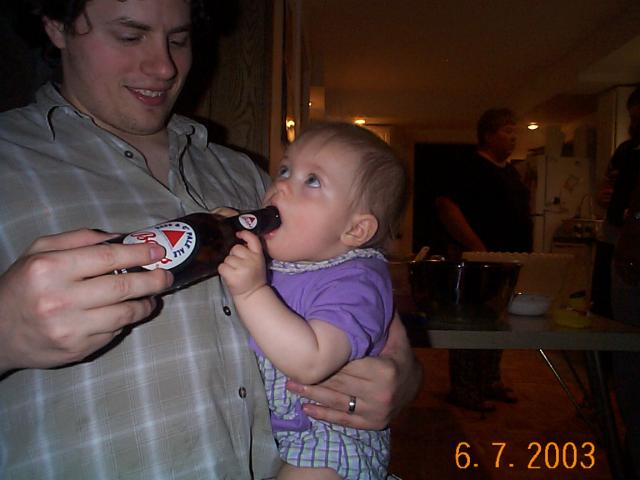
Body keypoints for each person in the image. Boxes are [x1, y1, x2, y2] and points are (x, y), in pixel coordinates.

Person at [0, 1, 422, 478]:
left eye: (179, 40)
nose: (164, 67)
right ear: (56, 24)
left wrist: (402, 380)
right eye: (130, 36)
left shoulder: (248, 177)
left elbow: (372, 316)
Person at [220, 123, 407, 479]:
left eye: (312, 181)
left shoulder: (357, 281)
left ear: (355, 230)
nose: (281, 186)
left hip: (330, 436)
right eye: (285, 170)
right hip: (276, 432)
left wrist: (251, 292)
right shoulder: (286, 260)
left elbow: (312, 361)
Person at [434, 108, 532, 412]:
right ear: (488, 135)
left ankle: (490, 380)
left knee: (497, 321)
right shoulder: (469, 166)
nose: (514, 137)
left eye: (515, 131)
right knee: (470, 323)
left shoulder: (511, 172)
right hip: (477, 261)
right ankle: (464, 388)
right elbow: (446, 207)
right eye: (507, 131)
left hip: (508, 262)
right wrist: (478, 248)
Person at [591, 85, 640, 318]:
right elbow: (606, 184)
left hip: (634, 239)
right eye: (633, 118)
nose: (635, 124)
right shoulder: (626, 150)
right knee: (606, 302)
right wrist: (603, 196)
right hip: (614, 234)